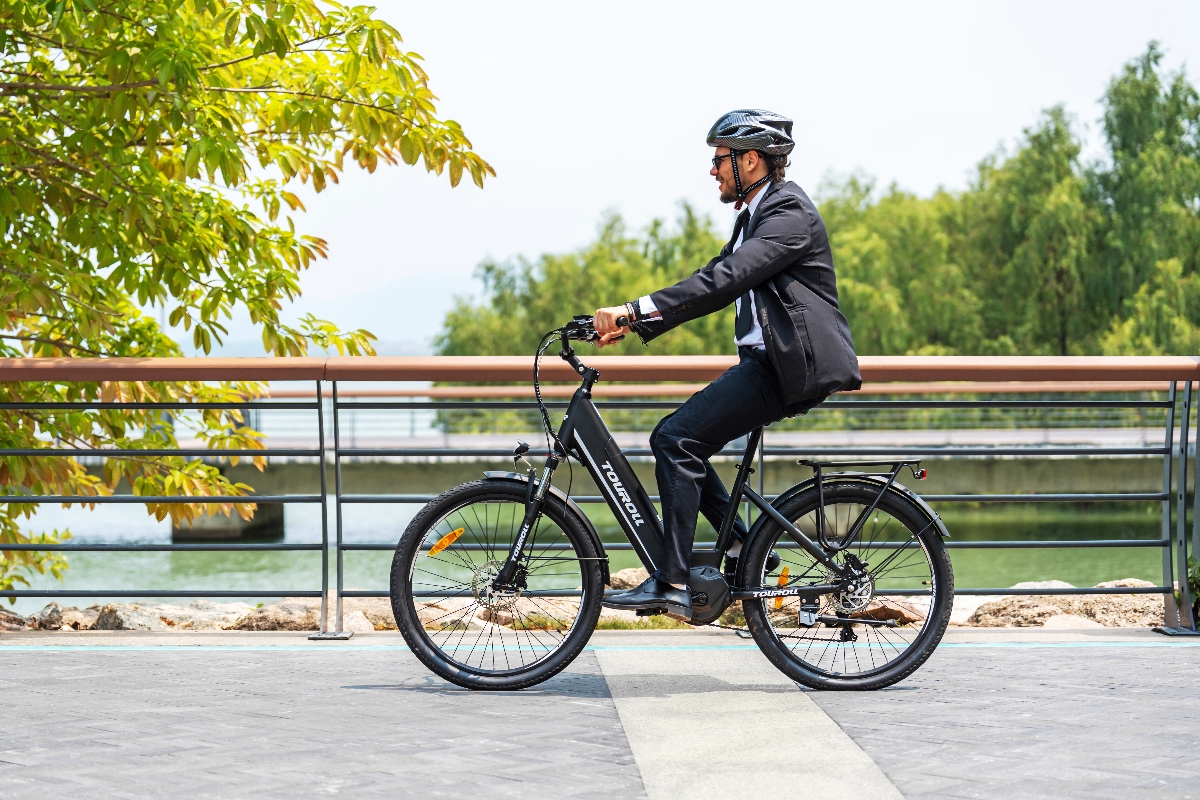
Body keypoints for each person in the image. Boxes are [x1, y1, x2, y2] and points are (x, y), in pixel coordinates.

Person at [593, 109, 861, 620]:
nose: (712, 170)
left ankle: (673, 581)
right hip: (769, 363)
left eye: (720, 159)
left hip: (787, 368)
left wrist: (633, 309)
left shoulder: (788, 212)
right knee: (677, 439)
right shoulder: (754, 217)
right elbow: (712, 276)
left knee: (676, 439)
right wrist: (632, 320)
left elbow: (727, 280)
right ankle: (741, 547)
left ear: (751, 161)